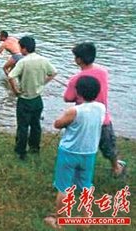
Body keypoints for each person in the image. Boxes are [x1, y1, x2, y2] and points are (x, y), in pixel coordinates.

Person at [44, 76, 105, 229]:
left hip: (69, 152)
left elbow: (58, 124)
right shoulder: (101, 107)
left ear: (78, 92)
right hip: (89, 152)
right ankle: (86, 220)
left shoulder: (74, 111)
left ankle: (59, 221)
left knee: (63, 187)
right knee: (86, 186)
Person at [63, 42, 126, 177]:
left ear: (79, 59)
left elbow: (68, 98)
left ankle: (77, 169)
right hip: (103, 118)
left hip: (83, 119)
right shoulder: (103, 72)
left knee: (80, 145)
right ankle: (116, 167)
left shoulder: (75, 79)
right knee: (108, 146)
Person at [8, 36, 57, 160]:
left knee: (23, 126)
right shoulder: (43, 60)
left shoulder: (23, 62)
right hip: (37, 99)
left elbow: (10, 76)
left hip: (24, 99)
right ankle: (35, 149)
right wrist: (43, 83)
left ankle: (21, 151)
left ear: (24, 48)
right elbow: (53, 72)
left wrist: (15, 90)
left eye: (20, 47)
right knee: (36, 125)